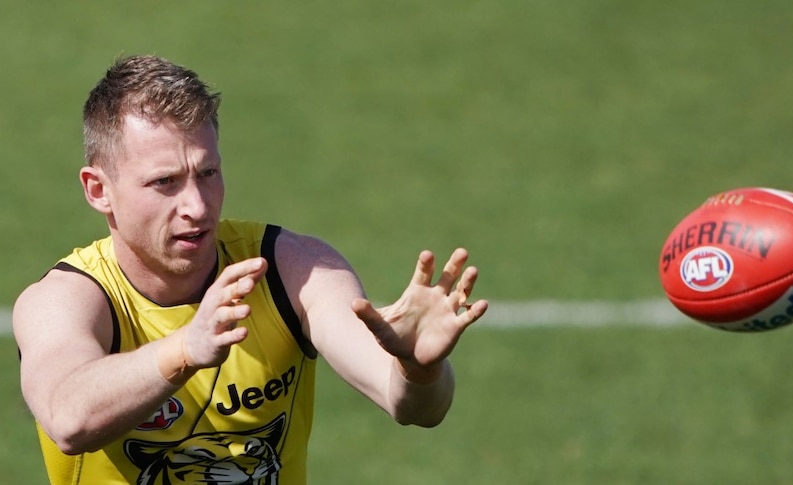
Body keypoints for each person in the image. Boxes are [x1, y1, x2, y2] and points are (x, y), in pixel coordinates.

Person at [13, 54, 488, 485]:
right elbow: (68, 418)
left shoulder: (292, 269)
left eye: (208, 174)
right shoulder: (66, 299)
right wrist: (185, 348)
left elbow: (410, 405)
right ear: (99, 190)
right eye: (165, 183)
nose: (197, 207)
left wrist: (419, 369)